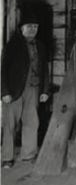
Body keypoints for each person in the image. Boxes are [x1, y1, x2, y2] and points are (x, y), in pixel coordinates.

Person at [1, 14, 50, 167]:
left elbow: (45, 71)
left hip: (33, 89)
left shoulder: (40, 46)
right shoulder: (13, 45)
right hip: (14, 90)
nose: (32, 30)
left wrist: (45, 91)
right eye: (29, 27)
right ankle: (7, 158)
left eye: (35, 27)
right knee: (10, 124)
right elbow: (3, 69)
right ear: (22, 29)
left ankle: (28, 155)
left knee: (31, 122)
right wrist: (4, 92)